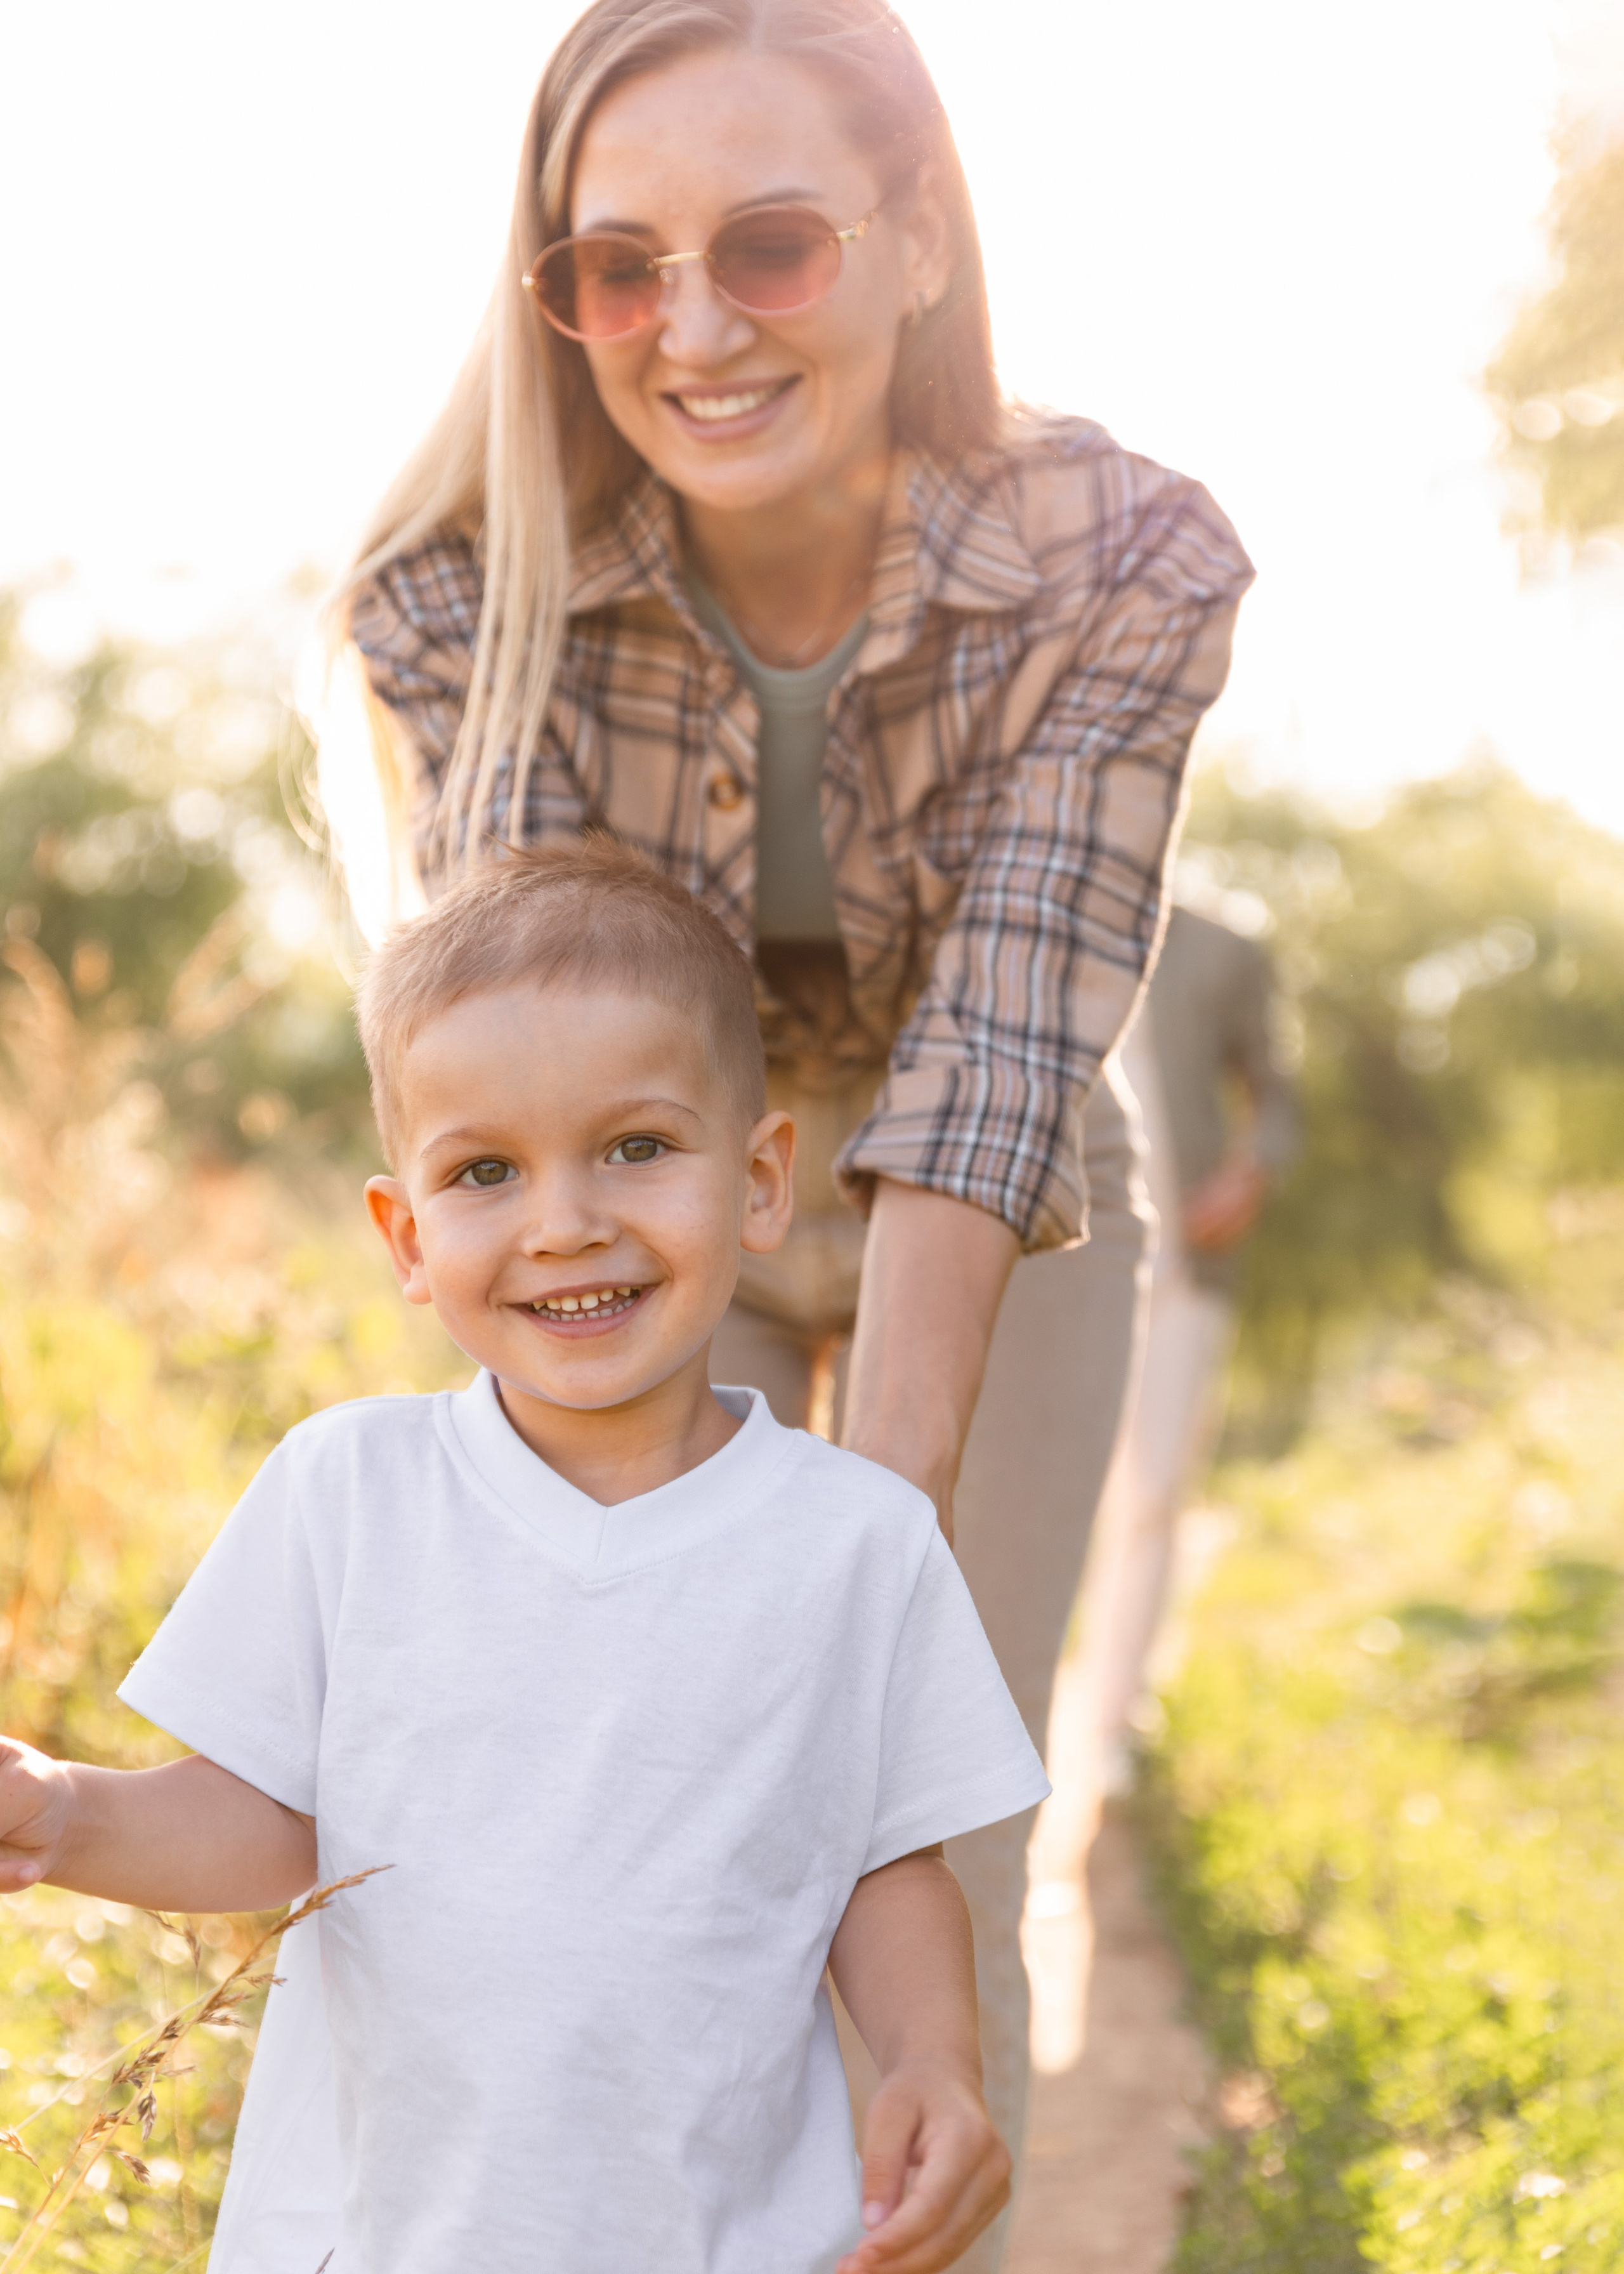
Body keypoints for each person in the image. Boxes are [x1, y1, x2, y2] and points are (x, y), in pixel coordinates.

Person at [318, 1, 1254, 2257]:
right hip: (650, 1201)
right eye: (617, 266)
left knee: (932, 1790)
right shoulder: (461, 603)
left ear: (919, 237)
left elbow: (1013, 1037)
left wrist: (873, 1544)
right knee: (684, 1797)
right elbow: (564, 1088)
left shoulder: (1133, 553)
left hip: (1000, 1203)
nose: (692, 326)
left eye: (770, 243)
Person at [0, 844, 1051, 2274]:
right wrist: (67, 1817)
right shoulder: (347, 1491)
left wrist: (933, 2058)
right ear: (406, 1234)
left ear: (756, 1181)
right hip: (384, 2234)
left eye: (635, 1146)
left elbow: (881, 1865)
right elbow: (279, 1821)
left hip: (724, 2234)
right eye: (485, 1169)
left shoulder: (854, 1541)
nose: (565, 1221)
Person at [1073, 900, 1298, 1796]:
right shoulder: (1049, 915)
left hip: (1185, 1273)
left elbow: (1277, 1090)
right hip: (1054, 1263)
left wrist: (1250, 1173)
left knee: (1154, 1493)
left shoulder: (1225, 949)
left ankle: (1113, 1723)